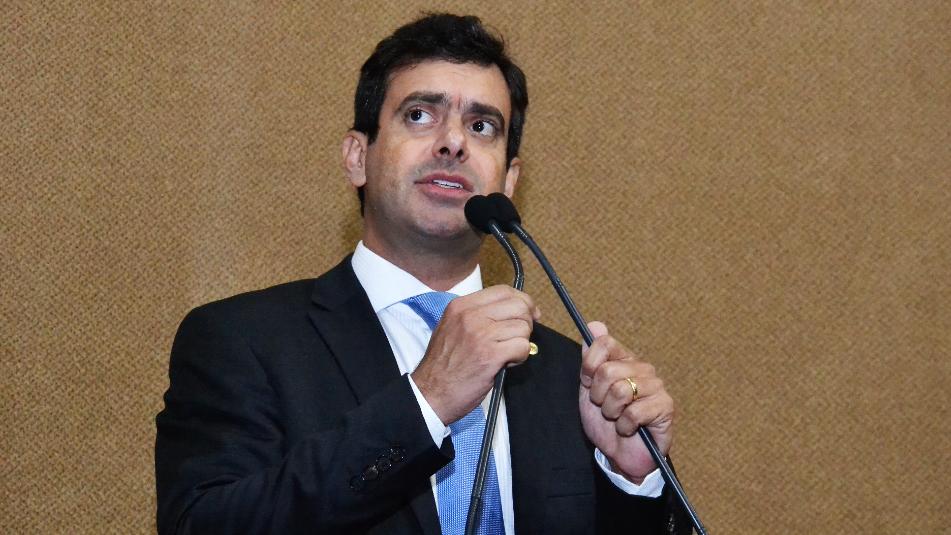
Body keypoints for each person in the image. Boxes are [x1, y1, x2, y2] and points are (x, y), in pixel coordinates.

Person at [156, 13, 690, 534]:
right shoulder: (243, 341)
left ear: (508, 181)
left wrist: (630, 480)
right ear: (357, 157)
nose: (454, 142)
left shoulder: (570, 376)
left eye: (481, 126)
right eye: (419, 115)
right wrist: (426, 401)